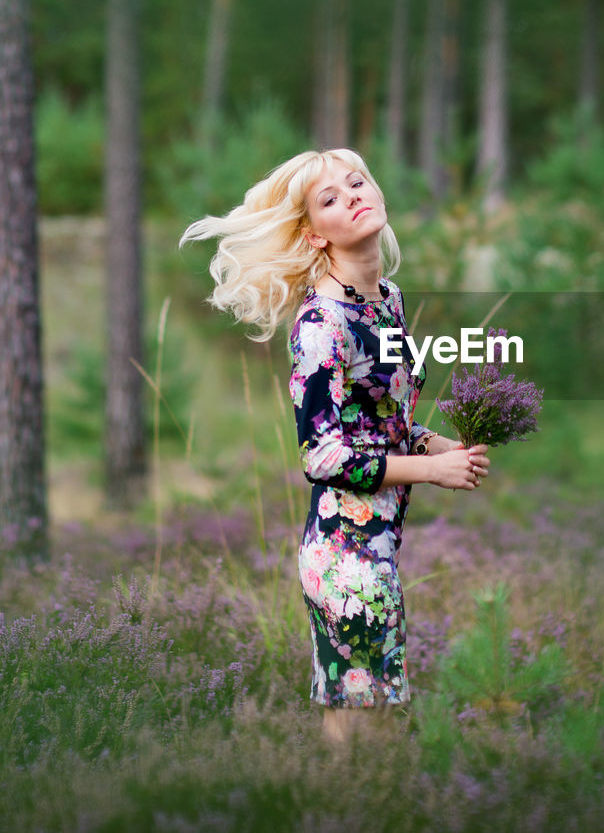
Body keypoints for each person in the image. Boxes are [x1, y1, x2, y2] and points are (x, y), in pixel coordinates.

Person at [180, 148, 489, 747]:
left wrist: (437, 445)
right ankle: (340, 805)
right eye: (329, 198)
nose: (351, 195)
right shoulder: (323, 324)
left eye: (356, 181)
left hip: (379, 542)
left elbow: (381, 421)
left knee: (371, 708)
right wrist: (430, 473)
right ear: (313, 235)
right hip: (343, 550)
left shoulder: (388, 302)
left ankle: (346, 803)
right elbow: (321, 456)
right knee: (360, 716)